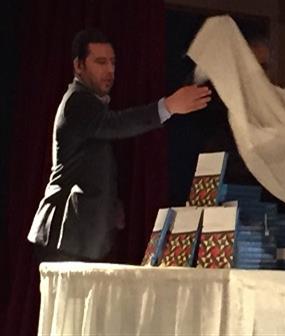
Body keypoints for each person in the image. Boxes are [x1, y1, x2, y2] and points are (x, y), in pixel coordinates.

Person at [27, 28, 212, 262]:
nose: (110, 70)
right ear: (78, 66)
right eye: (100, 62)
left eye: (112, 62)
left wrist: (111, 204)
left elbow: (91, 165)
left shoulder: (91, 104)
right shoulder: (77, 101)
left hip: (81, 235)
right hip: (67, 233)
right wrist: (168, 106)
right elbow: (117, 124)